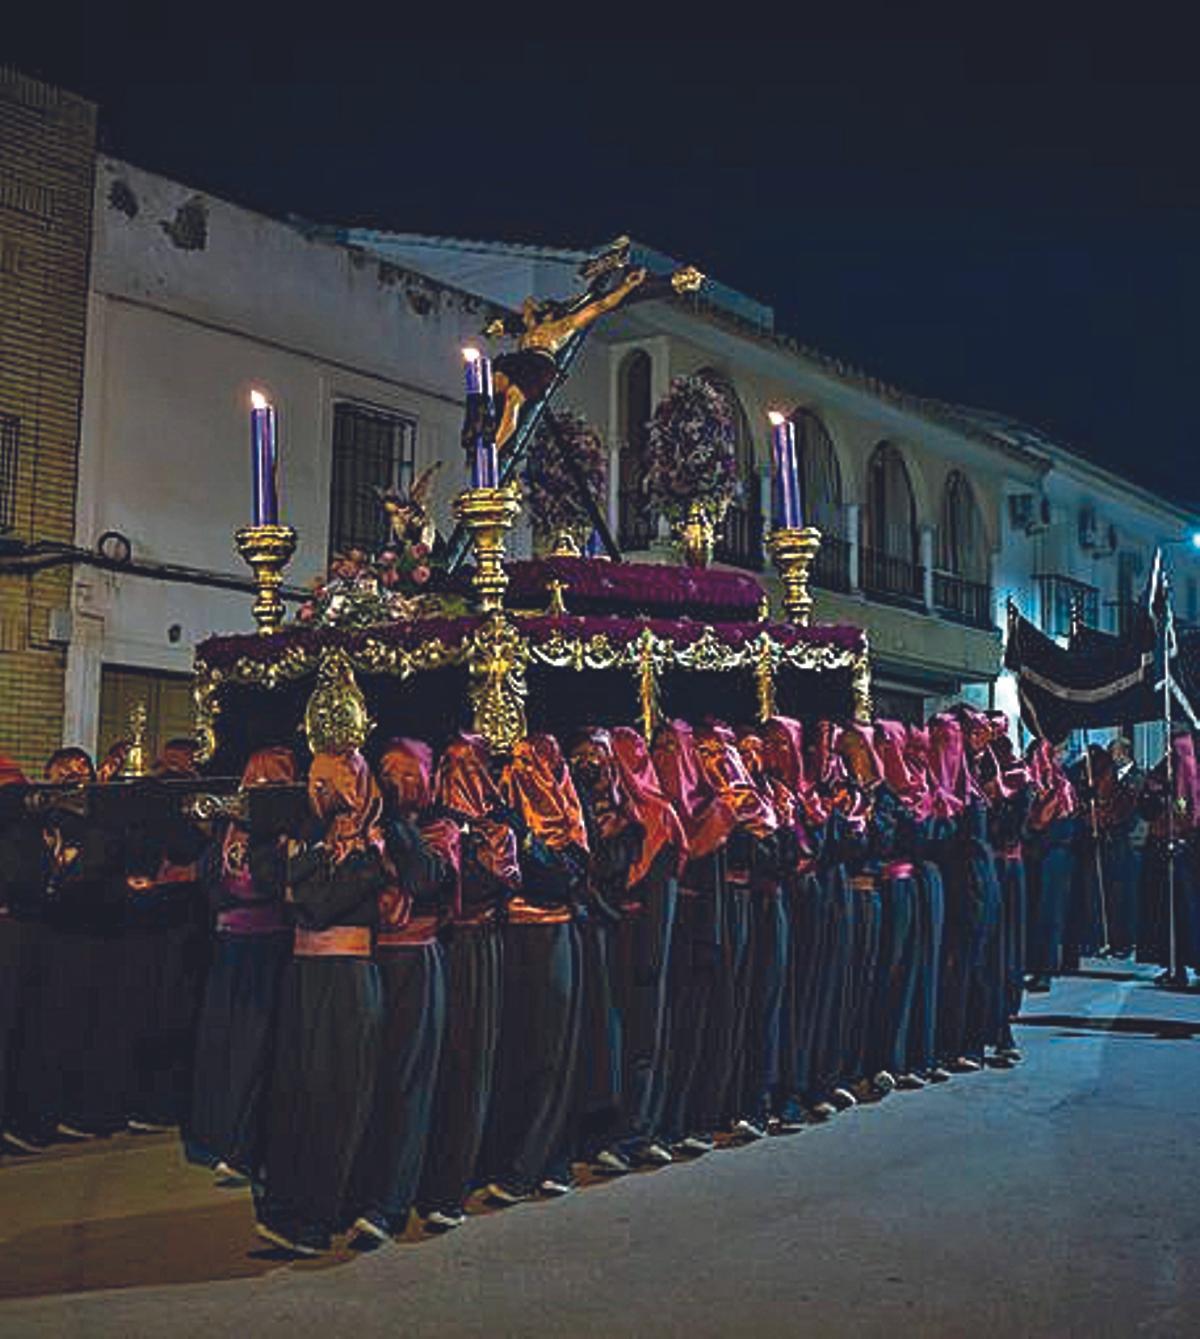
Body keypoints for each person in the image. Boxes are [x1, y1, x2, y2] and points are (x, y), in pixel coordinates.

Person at [256, 749, 389, 1257]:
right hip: (304, 974)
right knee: (298, 1091)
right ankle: (291, 1204)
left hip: (348, 976)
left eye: (328, 784)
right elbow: (279, 887)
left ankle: (325, 1213)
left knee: (340, 1093)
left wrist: (303, 872)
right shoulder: (310, 837)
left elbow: (317, 903)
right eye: (313, 784)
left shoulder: (375, 844)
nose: (318, 795)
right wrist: (304, 871)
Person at [346, 739, 456, 1247]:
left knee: (406, 1080)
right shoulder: (360, 825)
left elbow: (424, 878)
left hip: (414, 959)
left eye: (405, 773)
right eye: (385, 773)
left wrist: (394, 825)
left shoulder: (440, 830)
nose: (393, 783)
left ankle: (390, 1203)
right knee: (364, 1077)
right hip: (364, 959)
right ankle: (354, 1189)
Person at [416, 733, 518, 1232]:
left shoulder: (498, 829)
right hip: (434, 951)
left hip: (477, 951)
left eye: (468, 764)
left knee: (470, 1064)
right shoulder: (427, 824)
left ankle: (455, 1183)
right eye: (449, 763)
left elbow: (485, 886)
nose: (459, 774)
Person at [483, 735, 586, 1203]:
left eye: (532, 764)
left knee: (550, 1052)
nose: (521, 773)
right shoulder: (499, 806)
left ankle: (543, 1161)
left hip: (551, 938)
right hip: (509, 938)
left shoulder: (568, 819)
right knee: (514, 1051)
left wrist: (524, 838)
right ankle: (511, 1156)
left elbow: (561, 878)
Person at [188, 746, 298, 1184]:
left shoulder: (284, 830)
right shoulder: (231, 828)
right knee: (222, 1047)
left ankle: (246, 1145)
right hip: (229, 946)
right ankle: (217, 1136)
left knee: (256, 1050)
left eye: (268, 781)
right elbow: (211, 878)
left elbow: (271, 883)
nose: (255, 789)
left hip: (267, 948)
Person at [651, 719, 736, 1153]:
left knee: (692, 1031)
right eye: (659, 745)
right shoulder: (649, 800)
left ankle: (688, 1121)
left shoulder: (712, 809)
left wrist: (709, 939)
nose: (666, 754)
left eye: (673, 746)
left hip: (697, 931)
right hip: (656, 930)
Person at [609, 725, 685, 1162]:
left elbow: (661, 890)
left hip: (646, 942)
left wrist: (652, 954)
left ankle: (638, 1131)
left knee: (645, 1038)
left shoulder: (660, 815)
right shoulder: (610, 811)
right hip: (613, 937)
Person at [1024, 740, 1079, 992]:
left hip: (1053, 855)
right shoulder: (1035, 782)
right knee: (1037, 911)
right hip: (1040, 855)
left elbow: (1054, 823)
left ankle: (1045, 968)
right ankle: (1037, 964)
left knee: (1050, 913)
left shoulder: (1060, 786)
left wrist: (1037, 840)